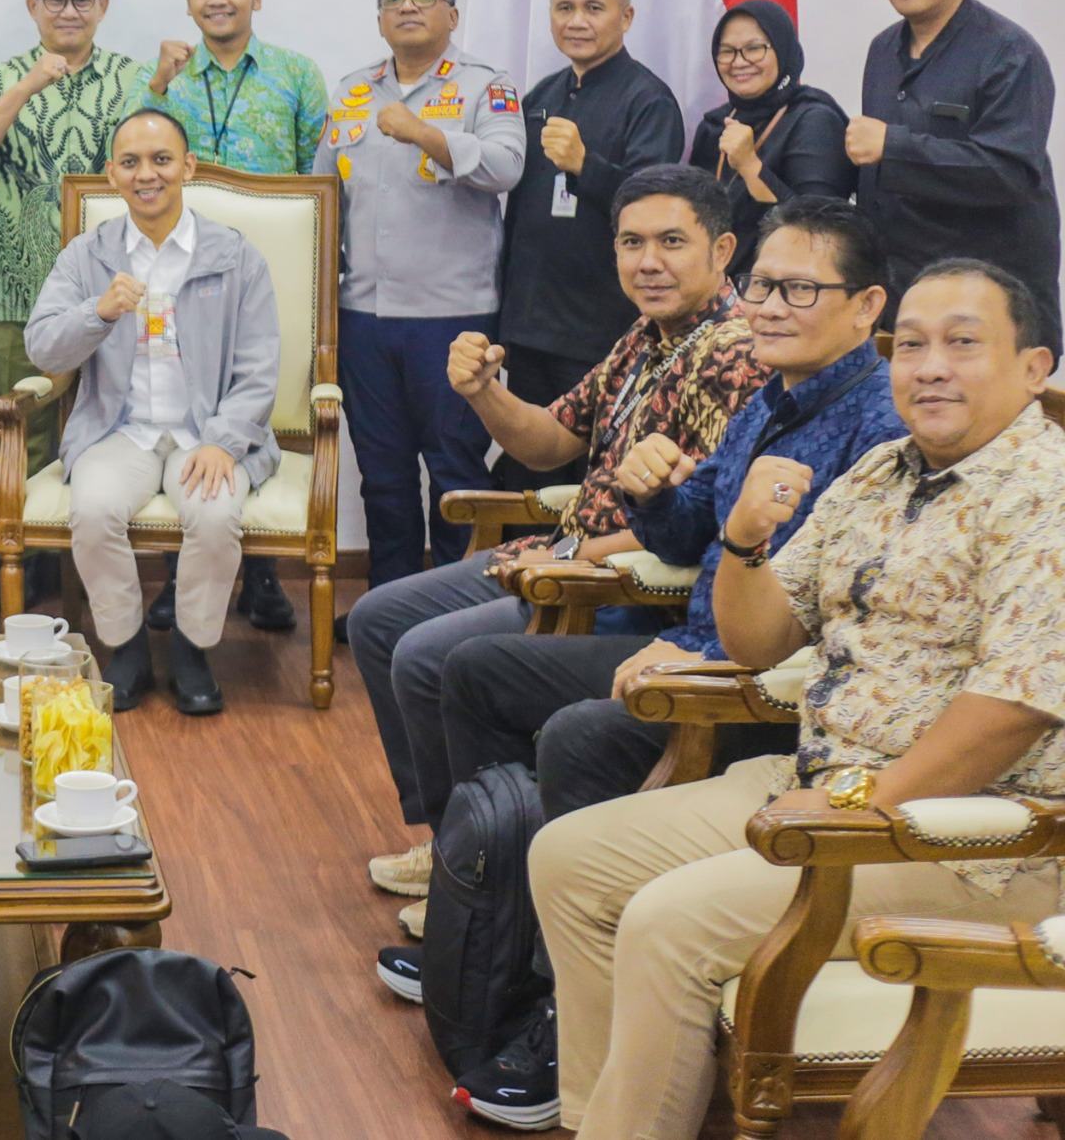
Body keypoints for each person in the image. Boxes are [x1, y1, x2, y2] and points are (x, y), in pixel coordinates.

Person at [395, 203, 906, 1126]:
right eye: (765, 287)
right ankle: (491, 919)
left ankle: (559, 1003)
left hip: (758, 688)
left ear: (867, 306)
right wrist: (655, 488)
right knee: (475, 671)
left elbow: (828, 622)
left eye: (798, 290)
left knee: (581, 735)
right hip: (700, 644)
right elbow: (685, 530)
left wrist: (703, 656)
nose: (770, 307)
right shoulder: (772, 395)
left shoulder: (878, 430)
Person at [531, 259, 1065, 1140]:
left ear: (1033, 367)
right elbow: (763, 641)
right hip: (824, 782)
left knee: (669, 922)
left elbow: (1011, 708)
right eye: (913, 346)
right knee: (569, 860)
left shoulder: (1045, 493)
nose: (931, 366)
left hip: (978, 839)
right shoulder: (883, 472)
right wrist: (743, 542)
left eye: (963, 344)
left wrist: (866, 807)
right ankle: (604, 1122)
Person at [348, 166, 766, 910]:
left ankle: (477, 869)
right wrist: (484, 392)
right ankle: (461, 842)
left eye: (672, 242)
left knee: (424, 654)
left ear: (722, 249)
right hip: (561, 554)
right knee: (378, 619)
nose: (648, 261)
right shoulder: (647, 336)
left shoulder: (734, 354)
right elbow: (549, 442)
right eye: (632, 242)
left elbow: (702, 522)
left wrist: (574, 555)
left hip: (616, 588)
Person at [25, 109, 281, 715]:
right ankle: (128, 646)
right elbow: (43, 348)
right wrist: (99, 312)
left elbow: (259, 366)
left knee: (215, 514)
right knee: (93, 510)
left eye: (162, 160)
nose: (147, 174)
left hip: (207, 433)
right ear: (111, 174)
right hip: (119, 432)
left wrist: (223, 441)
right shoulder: (88, 255)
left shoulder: (234, 254)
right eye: (131, 162)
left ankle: (193, 648)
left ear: (187, 167)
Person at [330, 0, 525, 589]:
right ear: (379, 19)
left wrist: (424, 133)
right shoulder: (352, 91)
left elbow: (506, 167)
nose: (407, 6)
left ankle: (453, 608)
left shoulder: (486, 86)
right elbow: (323, 195)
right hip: (364, 316)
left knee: (454, 470)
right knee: (382, 473)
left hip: (453, 316)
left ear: (452, 14)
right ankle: (385, 606)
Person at [0, 0, 149, 486]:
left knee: (121, 439)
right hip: (18, 292)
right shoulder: (1, 77)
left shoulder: (134, 80)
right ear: (32, 6)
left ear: (102, 6)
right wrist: (25, 88)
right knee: (25, 439)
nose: (69, 11)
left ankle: (99, 541)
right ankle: (26, 545)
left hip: (114, 294)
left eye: (82, 0)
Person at [496, 0, 684, 486]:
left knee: (593, 479)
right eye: (564, 8)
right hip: (531, 328)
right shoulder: (541, 96)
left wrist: (585, 165)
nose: (576, 21)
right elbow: (518, 215)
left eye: (593, 8)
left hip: (602, 331)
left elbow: (655, 210)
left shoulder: (648, 100)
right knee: (526, 475)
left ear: (626, 17)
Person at [852, 0, 1062, 348]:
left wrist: (892, 147)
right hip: (902, 304)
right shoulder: (883, 50)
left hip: (990, 311)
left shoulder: (1010, 54)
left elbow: (1010, 173)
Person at [682, 0, 853, 283]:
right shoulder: (715, 125)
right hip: (716, 291)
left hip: (787, 290)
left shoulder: (815, 120)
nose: (739, 62)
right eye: (727, 51)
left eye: (754, 48)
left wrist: (751, 166)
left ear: (782, 48)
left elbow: (820, 230)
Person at [133, 0, 329, 178]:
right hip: (185, 204)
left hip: (269, 205)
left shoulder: (299, 73)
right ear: (189, 2)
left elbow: (319, 174)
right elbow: (124, 158)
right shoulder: (158, 73)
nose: (217, 0)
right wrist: (158, 87)